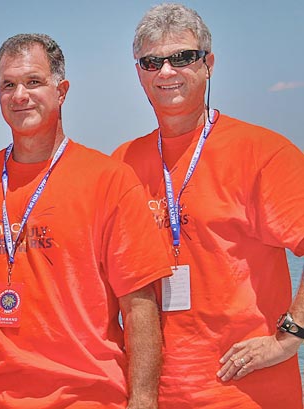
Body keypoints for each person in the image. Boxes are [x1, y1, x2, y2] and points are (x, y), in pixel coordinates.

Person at [0, 33, 173, 408]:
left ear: (61, 90)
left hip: (88, 396)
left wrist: (144, 399)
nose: (20, 95)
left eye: (33, 82)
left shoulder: (109, 179)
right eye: (8, 85)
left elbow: (140, 304)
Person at [112, 4, 304, 408]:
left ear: (208, 64)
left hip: (248, 393)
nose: (166, 72)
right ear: (139, 74)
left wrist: (291, 336)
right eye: (152, 62)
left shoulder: (264, 152)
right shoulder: (122, 164)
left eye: (182, 57)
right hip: (148, 394)